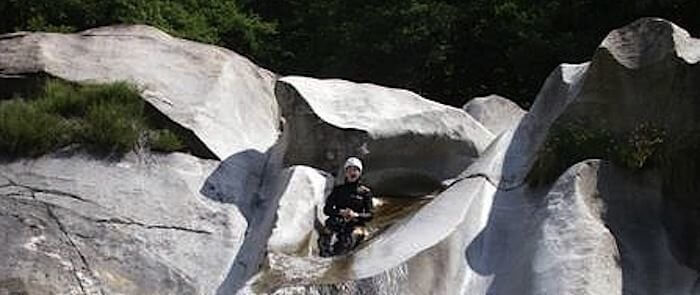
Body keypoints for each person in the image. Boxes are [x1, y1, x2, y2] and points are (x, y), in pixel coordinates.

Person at [318, 157, 374, 257]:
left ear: (360, 172)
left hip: (355, 224)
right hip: (338, 222)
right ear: (345, 172)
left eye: (355, 170)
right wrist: (340, 212)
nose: (352, 173)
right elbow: (327, 210)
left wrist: (356, 215)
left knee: (347, 242)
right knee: (327, 234)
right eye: (349, 170)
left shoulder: (365, 192)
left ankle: (341, 256)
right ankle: (324, 256)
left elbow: (370, 215)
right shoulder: (338, 190)